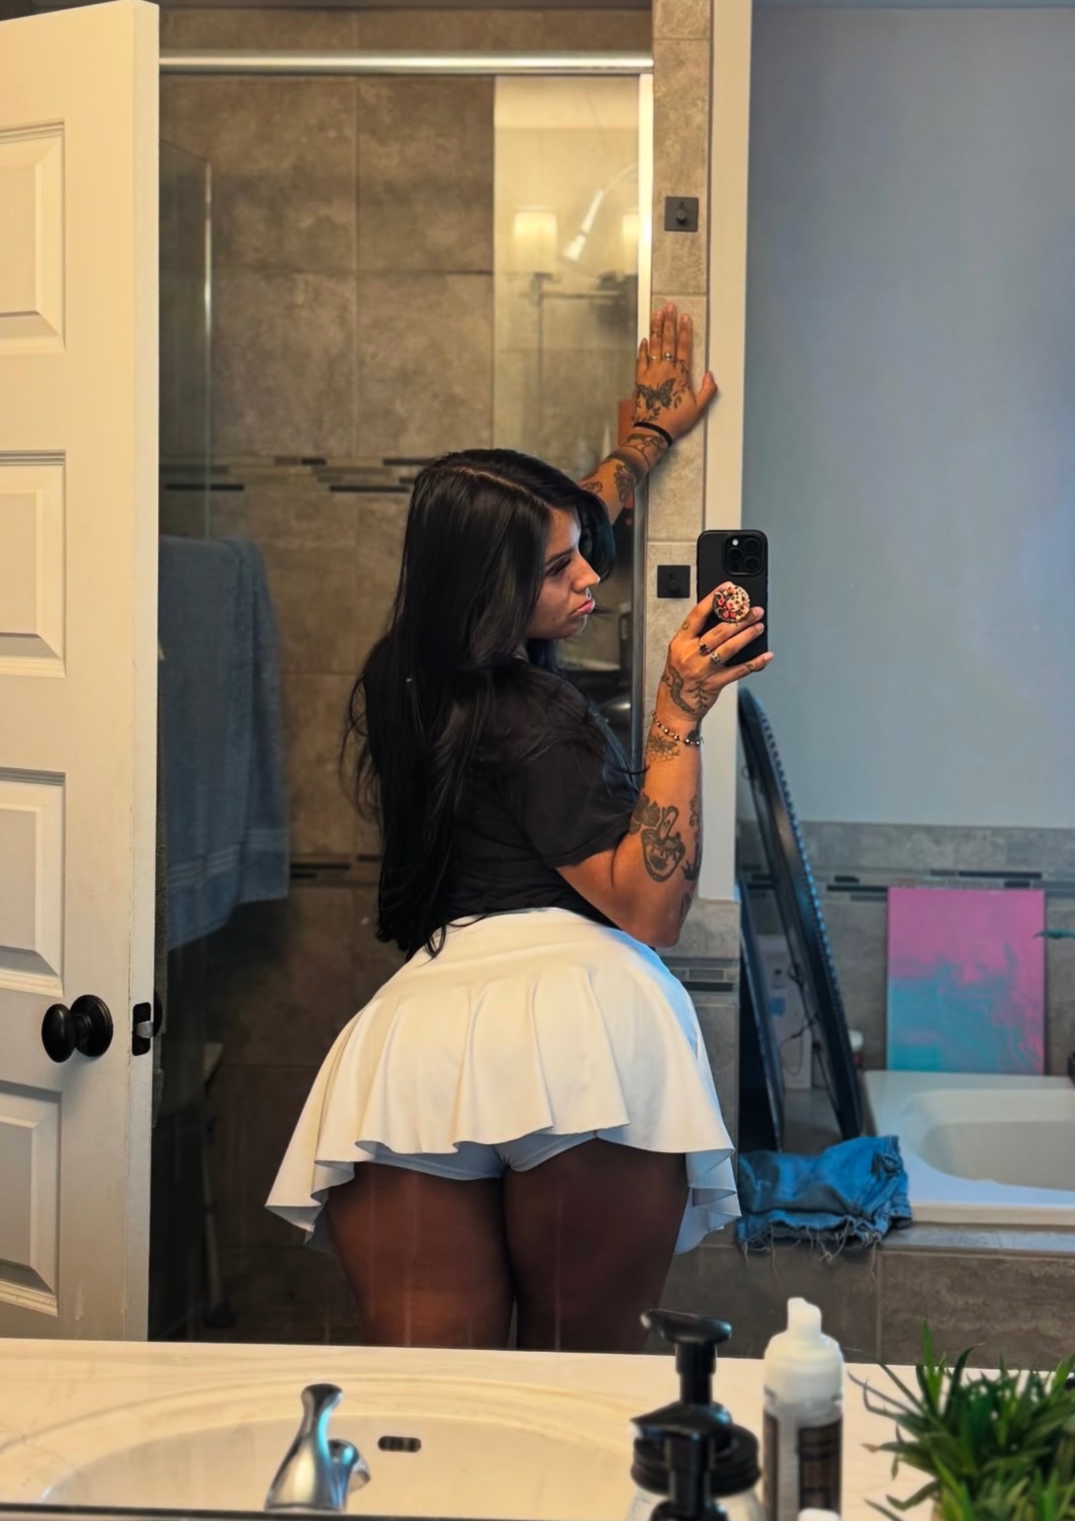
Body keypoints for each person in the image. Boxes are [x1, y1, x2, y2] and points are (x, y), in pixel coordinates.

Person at [267, 305, 773, 1353]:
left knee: (429, 1402)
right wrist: (678, 709)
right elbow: (648, 909)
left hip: (416, 1053)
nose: (589, 575)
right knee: (577, 1384)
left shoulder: (403, 672)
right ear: (490, 587)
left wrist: (640, 445)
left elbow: (557, 523)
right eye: (559, 569)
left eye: (581, 552)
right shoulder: (538, 716)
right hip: (581, 1038)